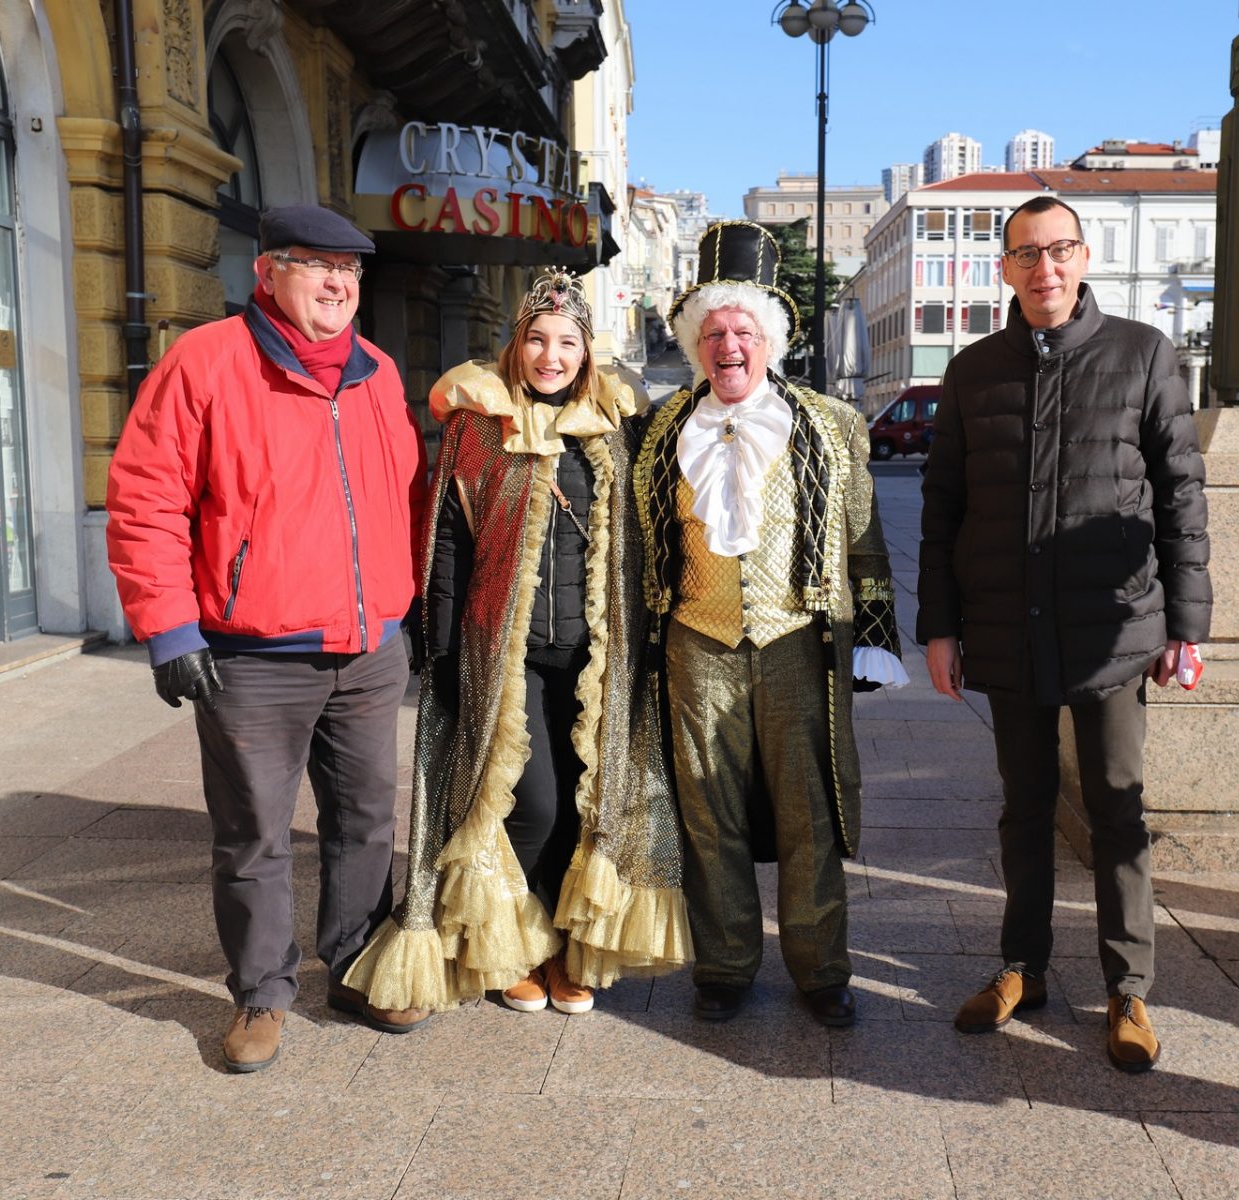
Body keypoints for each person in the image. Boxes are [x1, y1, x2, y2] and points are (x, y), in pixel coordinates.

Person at [106, 205, 427, 1072]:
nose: (337, 284)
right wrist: (168, 625)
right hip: (252, 654)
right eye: (317, 265)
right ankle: (261, 992)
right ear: (268, 272)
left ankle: (355, 965)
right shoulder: (205, 361)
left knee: (367, 818)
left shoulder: (376, 372)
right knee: (254, 831)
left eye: (349, 270)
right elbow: (146, 497)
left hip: (368, 650)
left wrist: (407, 605)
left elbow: (404, 495)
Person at [342, 272, 690, 1019]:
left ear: (587, 351)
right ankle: (516, 946)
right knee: (530, 804)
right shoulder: (480, 424)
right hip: (506, 652)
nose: (550, 356)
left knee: (585, 805)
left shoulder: (618, 425)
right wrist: (441, 648)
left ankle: (563, 949)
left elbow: (655, 534)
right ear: (516, 345)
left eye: (566, 342)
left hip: (598, 656)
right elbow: (448, 541)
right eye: (537, 339)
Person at [917, 197, 1211, 1073]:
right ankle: (1024, 966)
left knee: (1118, 803)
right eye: (1026, 254)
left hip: (1111, 627)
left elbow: (1181, 495)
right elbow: (943, 507)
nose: (1043, 268)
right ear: (1004, 268)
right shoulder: (973, 370)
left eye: (1059, 250)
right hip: (1009, 624)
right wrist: (940, 627)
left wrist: (1186, 623)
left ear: (1083, 258)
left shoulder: (1143, 354)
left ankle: (1129, 988)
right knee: (1025, 805)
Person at [637, 221, 906, 1028]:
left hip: (798, 641)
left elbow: (862, 534)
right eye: (714, 333)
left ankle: (820, 970)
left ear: (769, 342)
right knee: (706, 811)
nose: (729, 346)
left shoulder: (830, 422)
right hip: (694, 640)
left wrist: (877, 635)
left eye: (743, 332)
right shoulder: (658, 429)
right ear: (696, 344)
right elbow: (640, 540)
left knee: (808, 810)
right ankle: (724, 965)